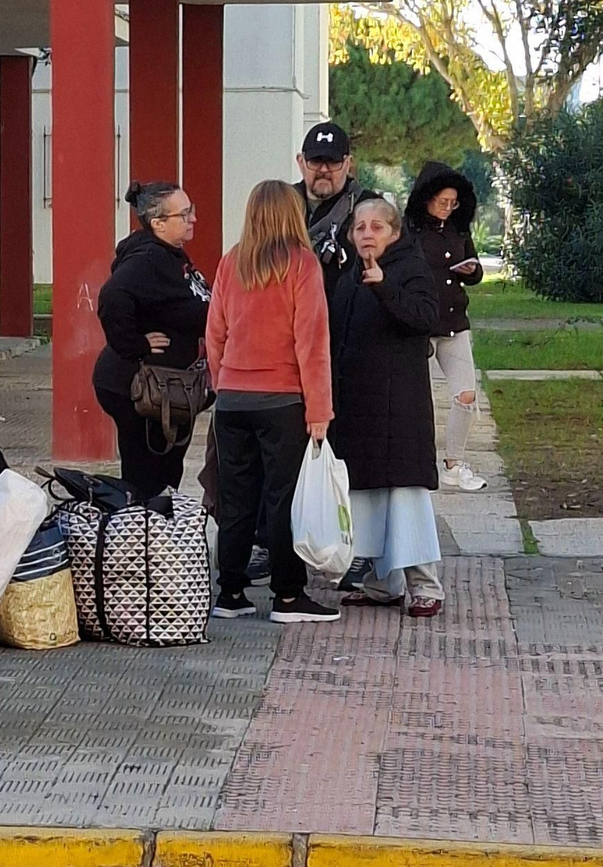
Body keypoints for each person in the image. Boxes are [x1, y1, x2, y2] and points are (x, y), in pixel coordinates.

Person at [206, 180, 339, 625]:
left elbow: (215, 333)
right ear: (291, 213)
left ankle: (230, 592)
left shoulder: (232, 261)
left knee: (236, 498)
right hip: (282, 400)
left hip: (232, 400)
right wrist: (319, 410)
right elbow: (312, 343)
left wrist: (223, 379)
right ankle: (287, 596)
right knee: (283, 498)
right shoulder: (302, 264)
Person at [327, 199, 446, 618]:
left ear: (394, 233)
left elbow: (425, 317)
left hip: (400, 410)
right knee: (370, 497)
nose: (366, 234)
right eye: (359, 227)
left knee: (404, 497)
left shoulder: (409, 269)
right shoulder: (348, 275)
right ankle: (382, 583)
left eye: (376, 227)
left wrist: (386, 287)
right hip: (359, 407)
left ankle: (425, 586)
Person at [93, 181, 212, 499]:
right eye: (184, 214)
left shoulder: (170, 255)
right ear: (158, 223)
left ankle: (156, 533)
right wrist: (135, 344)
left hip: (167, 391)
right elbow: (113, 296)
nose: (193, 219)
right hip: (143, 389)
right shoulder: (148, 258)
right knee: (147, 478)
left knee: (164, 473)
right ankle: (144, 536)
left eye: (191, 211)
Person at [405, 161, 487, 493]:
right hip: (421, 325)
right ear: (427, 198)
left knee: (466, 394)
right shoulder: (409, 233)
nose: (448, 209)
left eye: (453, 203)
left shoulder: (458, 230)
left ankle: (454, 463)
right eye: (443, 202)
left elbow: (478, 272)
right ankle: (416, 461)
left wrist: (471, 270)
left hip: (455, 322)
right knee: (416, 400)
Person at [295, 121, 381, 297]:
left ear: (348, 163)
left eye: (333, 162)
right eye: (316, 161)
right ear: (301, 162)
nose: (324, 170)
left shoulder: (373, 208)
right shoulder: (280, 205)